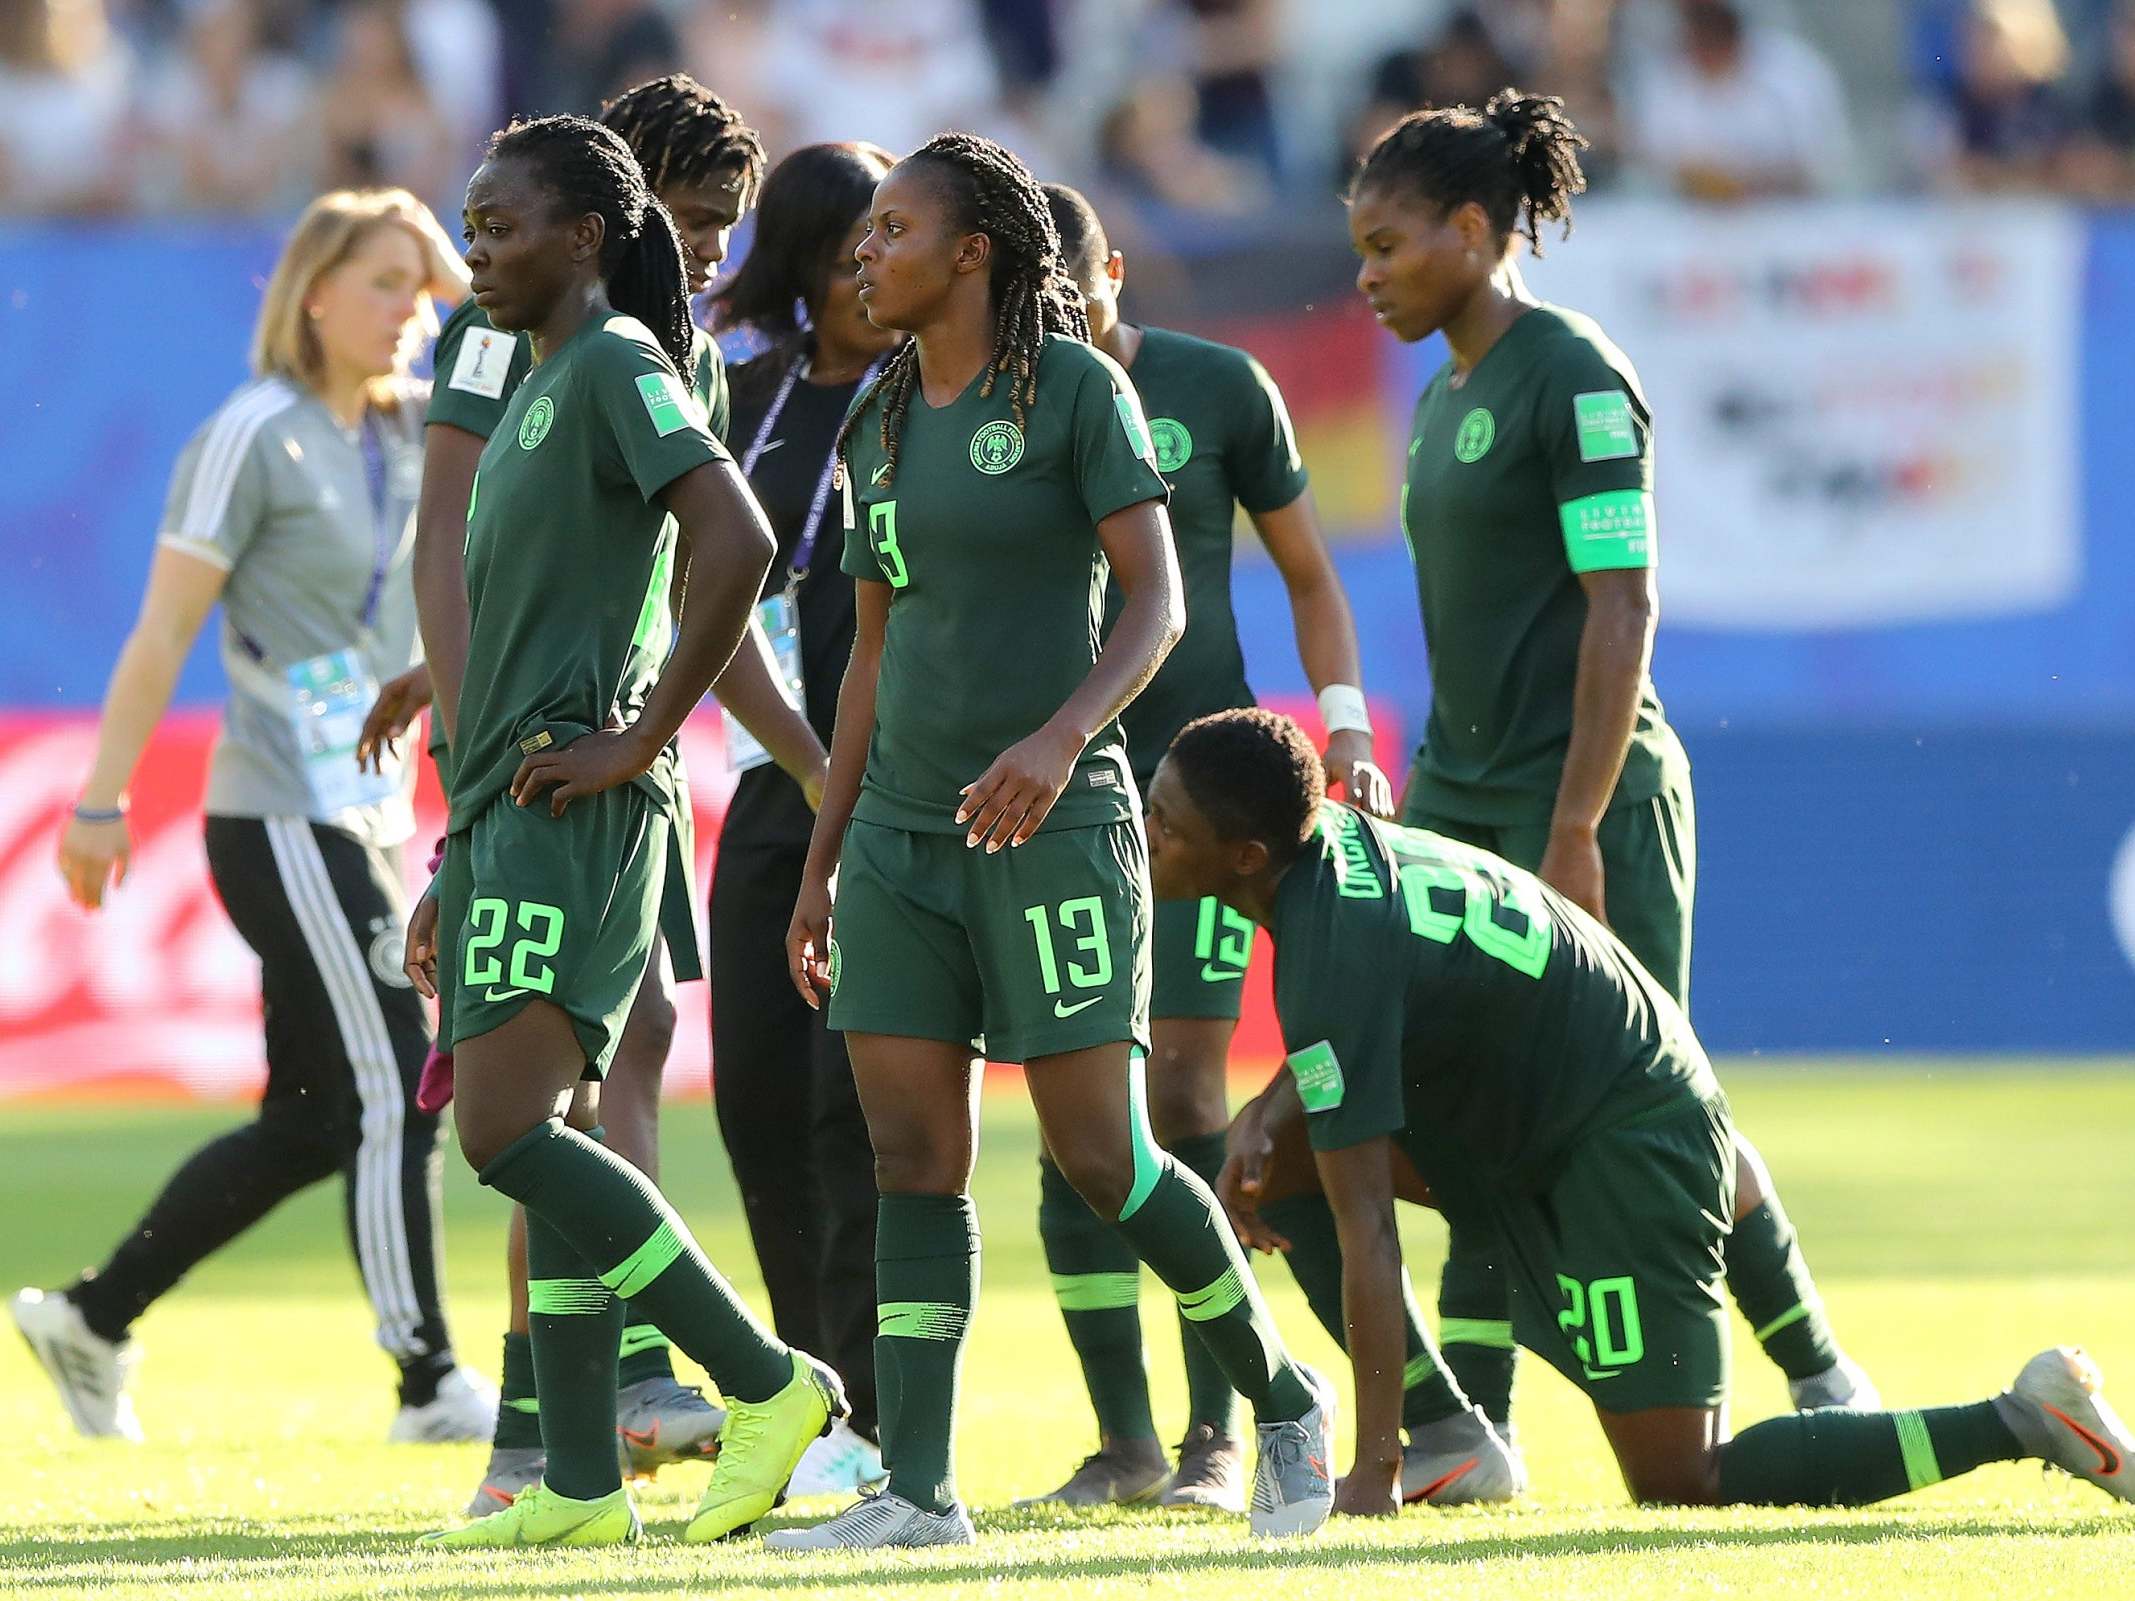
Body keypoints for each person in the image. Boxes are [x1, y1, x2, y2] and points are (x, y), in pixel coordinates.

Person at [768, 131, 1332, 1551]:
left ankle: (1279, 1398)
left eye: (890, 229)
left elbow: (1155, 608)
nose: (861, 252)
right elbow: (866, 661)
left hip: (1053, 827)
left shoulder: (1077, 390)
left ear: (973, 251)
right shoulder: (876, 417)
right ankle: (919, 1492)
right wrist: (823, 857)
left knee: (1100, 1157)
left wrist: (1062, 738)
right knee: (912, 1159)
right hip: (900, 835)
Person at [1147, 706, 2135, 1515]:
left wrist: (1368, 1473)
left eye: (1162, 821)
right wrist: (1269, 1110)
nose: (1143, 835)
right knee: (1270, 1160)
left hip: (1618, 1133)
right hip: (1557, 1104)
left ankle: (2024, 1417)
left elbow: (1368, 1228)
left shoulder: (1326, 948)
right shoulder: (1337, 853)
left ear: (1242, 853)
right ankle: (1452, 1434)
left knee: (1676, 1477)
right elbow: (1366, 1013)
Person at [1347, 90, 1877, 1464]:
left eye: (1389, 246)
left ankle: (1816, 1370)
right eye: (1358, 249)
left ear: (1471, 231)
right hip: (1462, 797)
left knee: (1646, 1100)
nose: (1366, 277)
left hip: (1583, 797)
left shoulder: (1571, 374)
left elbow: (1620, 606)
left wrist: (1573, 823)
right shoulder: (1442, 393)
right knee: (1452, 1095)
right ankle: (1474, 1432)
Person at [405, 113, 840, 1551]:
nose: (476, 247)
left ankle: (765, 1386)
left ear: (584, 234)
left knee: (507, 1129)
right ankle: (581, 1480)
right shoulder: (533, 379)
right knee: (548, 1122)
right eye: (469, 225)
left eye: (502, 224)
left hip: (575, 799)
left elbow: (737, 542)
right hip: (509, 803)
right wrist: (457, 840)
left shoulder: (618, 364)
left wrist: (640, 738)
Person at [12, 188, 495, 1445]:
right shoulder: (251, 430)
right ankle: (430, 1378)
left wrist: (455, 272)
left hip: (373, 811)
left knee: (311, 1122)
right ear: (313, 293)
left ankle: (91, 1314)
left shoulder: (416, 433)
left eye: (418, 285)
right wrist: (102, 802)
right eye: (382, 280)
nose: (407, 308)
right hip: (278, 808)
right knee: (401, 1069)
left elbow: (499, 342)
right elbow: (163, 629)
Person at [1021, 182, 1409, 1515]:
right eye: (1031, 310)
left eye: (1070, 302)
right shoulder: (993, 402)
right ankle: (1121, 1440)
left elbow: (1305, 568)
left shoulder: (1219, 389)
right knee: (1067, 1116)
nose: (1053, 328)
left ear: (1115, 275)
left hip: (1197, 803)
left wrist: (1343, 721)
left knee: (1182, 1102)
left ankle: (1213, 1438)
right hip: (1052, 798)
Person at [701, 139, 905, 1500]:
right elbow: (702, 601)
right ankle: (802, 1392)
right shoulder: (752, 397)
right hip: (775, 793)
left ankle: (881, 1422)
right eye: (842, 259)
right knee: (756, 1099)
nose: (867, 281)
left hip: (887, 800)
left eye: (881, 251)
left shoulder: (925, 400)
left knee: (854, 1113)